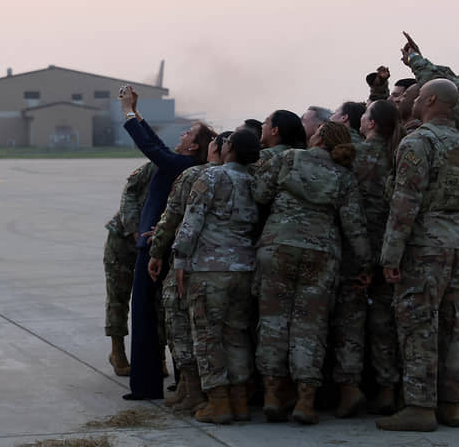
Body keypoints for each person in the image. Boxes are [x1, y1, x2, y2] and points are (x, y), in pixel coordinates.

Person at [376, 79, 459, 432]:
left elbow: (404, 204)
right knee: (455, 325)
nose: (415, 100)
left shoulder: (418, 142)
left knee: (418, 325)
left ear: (432, 100)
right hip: (456, 241)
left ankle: (420, 407)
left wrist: (391, 255)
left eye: (419, 96)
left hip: (423, 246)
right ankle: (454, 404)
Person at [253, 122, 371, 425]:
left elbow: (260, 193)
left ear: (318, 137)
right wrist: (366, 264)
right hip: (321, 253)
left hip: (278, 246)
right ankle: (305, 401)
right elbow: (354, 227)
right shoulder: (344, 176)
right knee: (310, 327)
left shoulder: (289, 158)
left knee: (273, 321)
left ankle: (272, 395)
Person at [120, 85, 216, 400]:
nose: (183, 135)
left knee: (147, 317)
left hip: (154, 249)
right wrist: (137, 111)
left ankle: (147, 385)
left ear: (194, 146)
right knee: (166, 319)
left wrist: (129, 113)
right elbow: (158, 145)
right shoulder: (183, 164)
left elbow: (152, 147)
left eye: (189, 134)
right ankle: (175, 382)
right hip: (162, 247)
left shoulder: (183, 166)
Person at [171, 130, 261, 424]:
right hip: (244, 268)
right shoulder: (254, 181)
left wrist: (180, 259)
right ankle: (240, 401)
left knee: (208, 337)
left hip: (210, 269)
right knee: (236, 336)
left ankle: (218, 402)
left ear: (230, 148)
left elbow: (192, 220)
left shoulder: (211, 177)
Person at [148, 131, 230, 411]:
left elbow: (171, 219)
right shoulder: (244, 177)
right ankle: (201, 392)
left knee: (181, 326)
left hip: (191, 263)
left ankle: (194, 390)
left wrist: (157, 251)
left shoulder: (194, 175)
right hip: (232, 266)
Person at [356, 100, 402, 415]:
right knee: (389, 321)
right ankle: (390, 389)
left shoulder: (355, 154)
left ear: (371, 124)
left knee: (361, 323)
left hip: (361, 246)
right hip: (393, 246)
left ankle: (371, 386)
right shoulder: (399, 153)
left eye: (365, 116)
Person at [103, 161, 156, 376]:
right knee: (119, 295)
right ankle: (118, 351)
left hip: (154, 242)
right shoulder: (154, 166)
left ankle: (158, 356)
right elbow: (129, 194)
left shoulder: (192, 170)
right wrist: (135, 229)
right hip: (124, 238)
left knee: (155, 301)